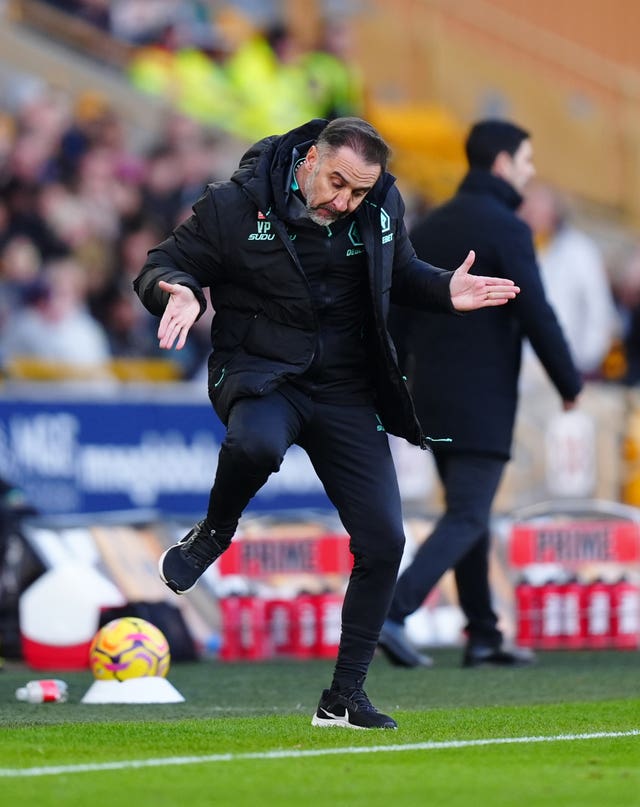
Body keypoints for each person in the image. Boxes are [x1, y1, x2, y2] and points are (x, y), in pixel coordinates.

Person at [133, 116, 519, 729]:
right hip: (263, 373)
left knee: (385, 539)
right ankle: (213, 533)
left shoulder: (380, 203)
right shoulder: (235, 205)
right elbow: (160, 265)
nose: (344, 201)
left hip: (346, 390)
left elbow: (404, 274)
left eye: (359, 192)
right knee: (255, 443)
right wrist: (177, 291)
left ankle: (343, 698)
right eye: (336, 183)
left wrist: (446, 289)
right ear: (310, 159)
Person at [378, 120, 583, 670]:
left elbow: (398, 309)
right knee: (469, 513)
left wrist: (394, 381)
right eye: (526, 160)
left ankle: (484, 634)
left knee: (469, 512)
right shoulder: (506, 228)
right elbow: (535, 310)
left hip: (431, 398)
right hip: (483, 398)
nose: (529, 171)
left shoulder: (430, 224)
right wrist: (569, 382)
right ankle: (392, 612)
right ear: (501, 163)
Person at [518, 180, 618, 381]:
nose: (529, 213)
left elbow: (599, 309)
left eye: (536, 207)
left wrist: (583, 360)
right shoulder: (522, 247)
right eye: (526, 207)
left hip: (563, 365)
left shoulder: (579, 251)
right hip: (522, 366)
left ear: (553, 211)